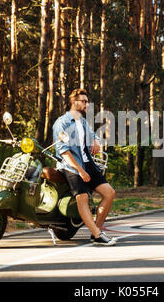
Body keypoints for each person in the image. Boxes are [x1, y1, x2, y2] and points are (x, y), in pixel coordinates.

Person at [52, 89, 117, 246]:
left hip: (88, 162)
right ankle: (97, 234)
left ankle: (97, 232)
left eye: (87, 101)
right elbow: (63, 151)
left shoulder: (82, 121)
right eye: (84, 101)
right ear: (74, 102)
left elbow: (92, 135)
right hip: (70, 165)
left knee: (109, 193)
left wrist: (96, 140)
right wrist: (80, 171)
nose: (87, 104)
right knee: (83, 197)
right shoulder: (63, 122)